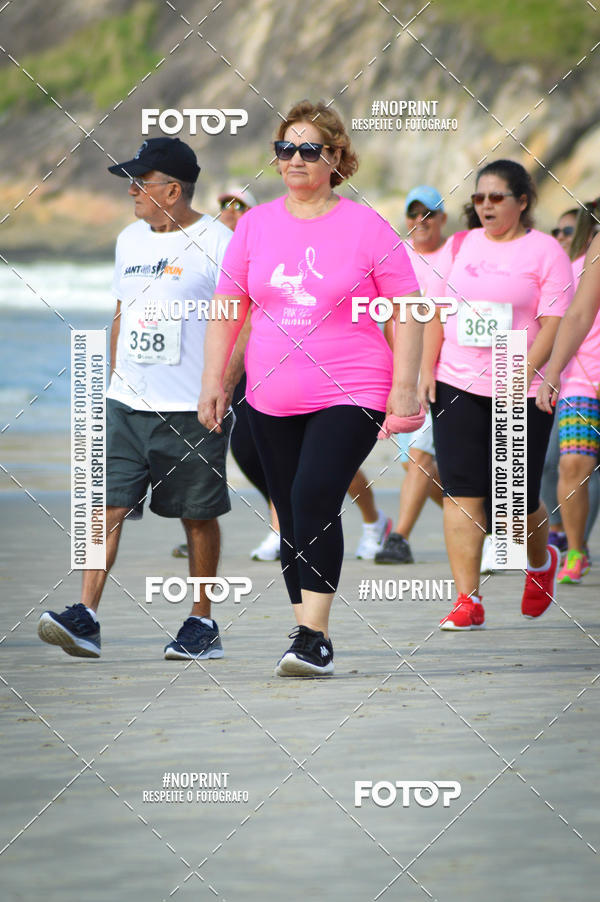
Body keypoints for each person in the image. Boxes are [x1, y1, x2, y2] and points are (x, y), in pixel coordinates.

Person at [199, 99, 422, 676]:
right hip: (270, 392)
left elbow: (408, 310)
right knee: (291, 513)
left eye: (308, 149)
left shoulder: (367, 226)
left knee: (315, 496)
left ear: (335, 158)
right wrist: (215, 384)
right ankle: (304, 630)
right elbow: (228, 311)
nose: (294, 159)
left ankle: (314, 636)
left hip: (353, 387)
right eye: (284, 148)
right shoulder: (254, 225)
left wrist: (405, 388)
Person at [38, 137, 233, 660]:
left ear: (172, 190)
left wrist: (224, 384)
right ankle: (86, 616)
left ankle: (201, 622)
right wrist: (114, 375)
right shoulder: (130, 239)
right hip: (126, 404)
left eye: (140, 183)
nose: (132, 192)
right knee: (106, 507)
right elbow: (123, 309)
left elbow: (244, 317)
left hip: (192, 408)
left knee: (197, 516)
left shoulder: (218, 240)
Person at [420, 159, 574, 629]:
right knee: (461, 490)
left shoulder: (546, 252)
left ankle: (541, 560)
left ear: (521, 201)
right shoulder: (458, 247)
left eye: (496, 197)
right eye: (479, 198)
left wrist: (524, 371)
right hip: (456, 381)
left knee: (514, 501)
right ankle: (467, 601)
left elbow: (554, 323)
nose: (485, 206)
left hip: (521, 386)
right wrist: (425, 370)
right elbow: (435, 313)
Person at [376, 185, 448, 565]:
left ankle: (398, 537)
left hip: (445, 373)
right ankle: (476, 519)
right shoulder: (397, 256)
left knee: (419, 457)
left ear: (442, 218)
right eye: (414, 213)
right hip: (403, 375)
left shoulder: (454, 255)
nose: (421, 221)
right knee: (416, 465)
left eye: (429, 214)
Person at [538, 200, 600, 584]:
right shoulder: (583, 261)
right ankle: (576, 548)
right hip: (584, 378)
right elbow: (575, 316)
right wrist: (554, 371)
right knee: (572, 465)